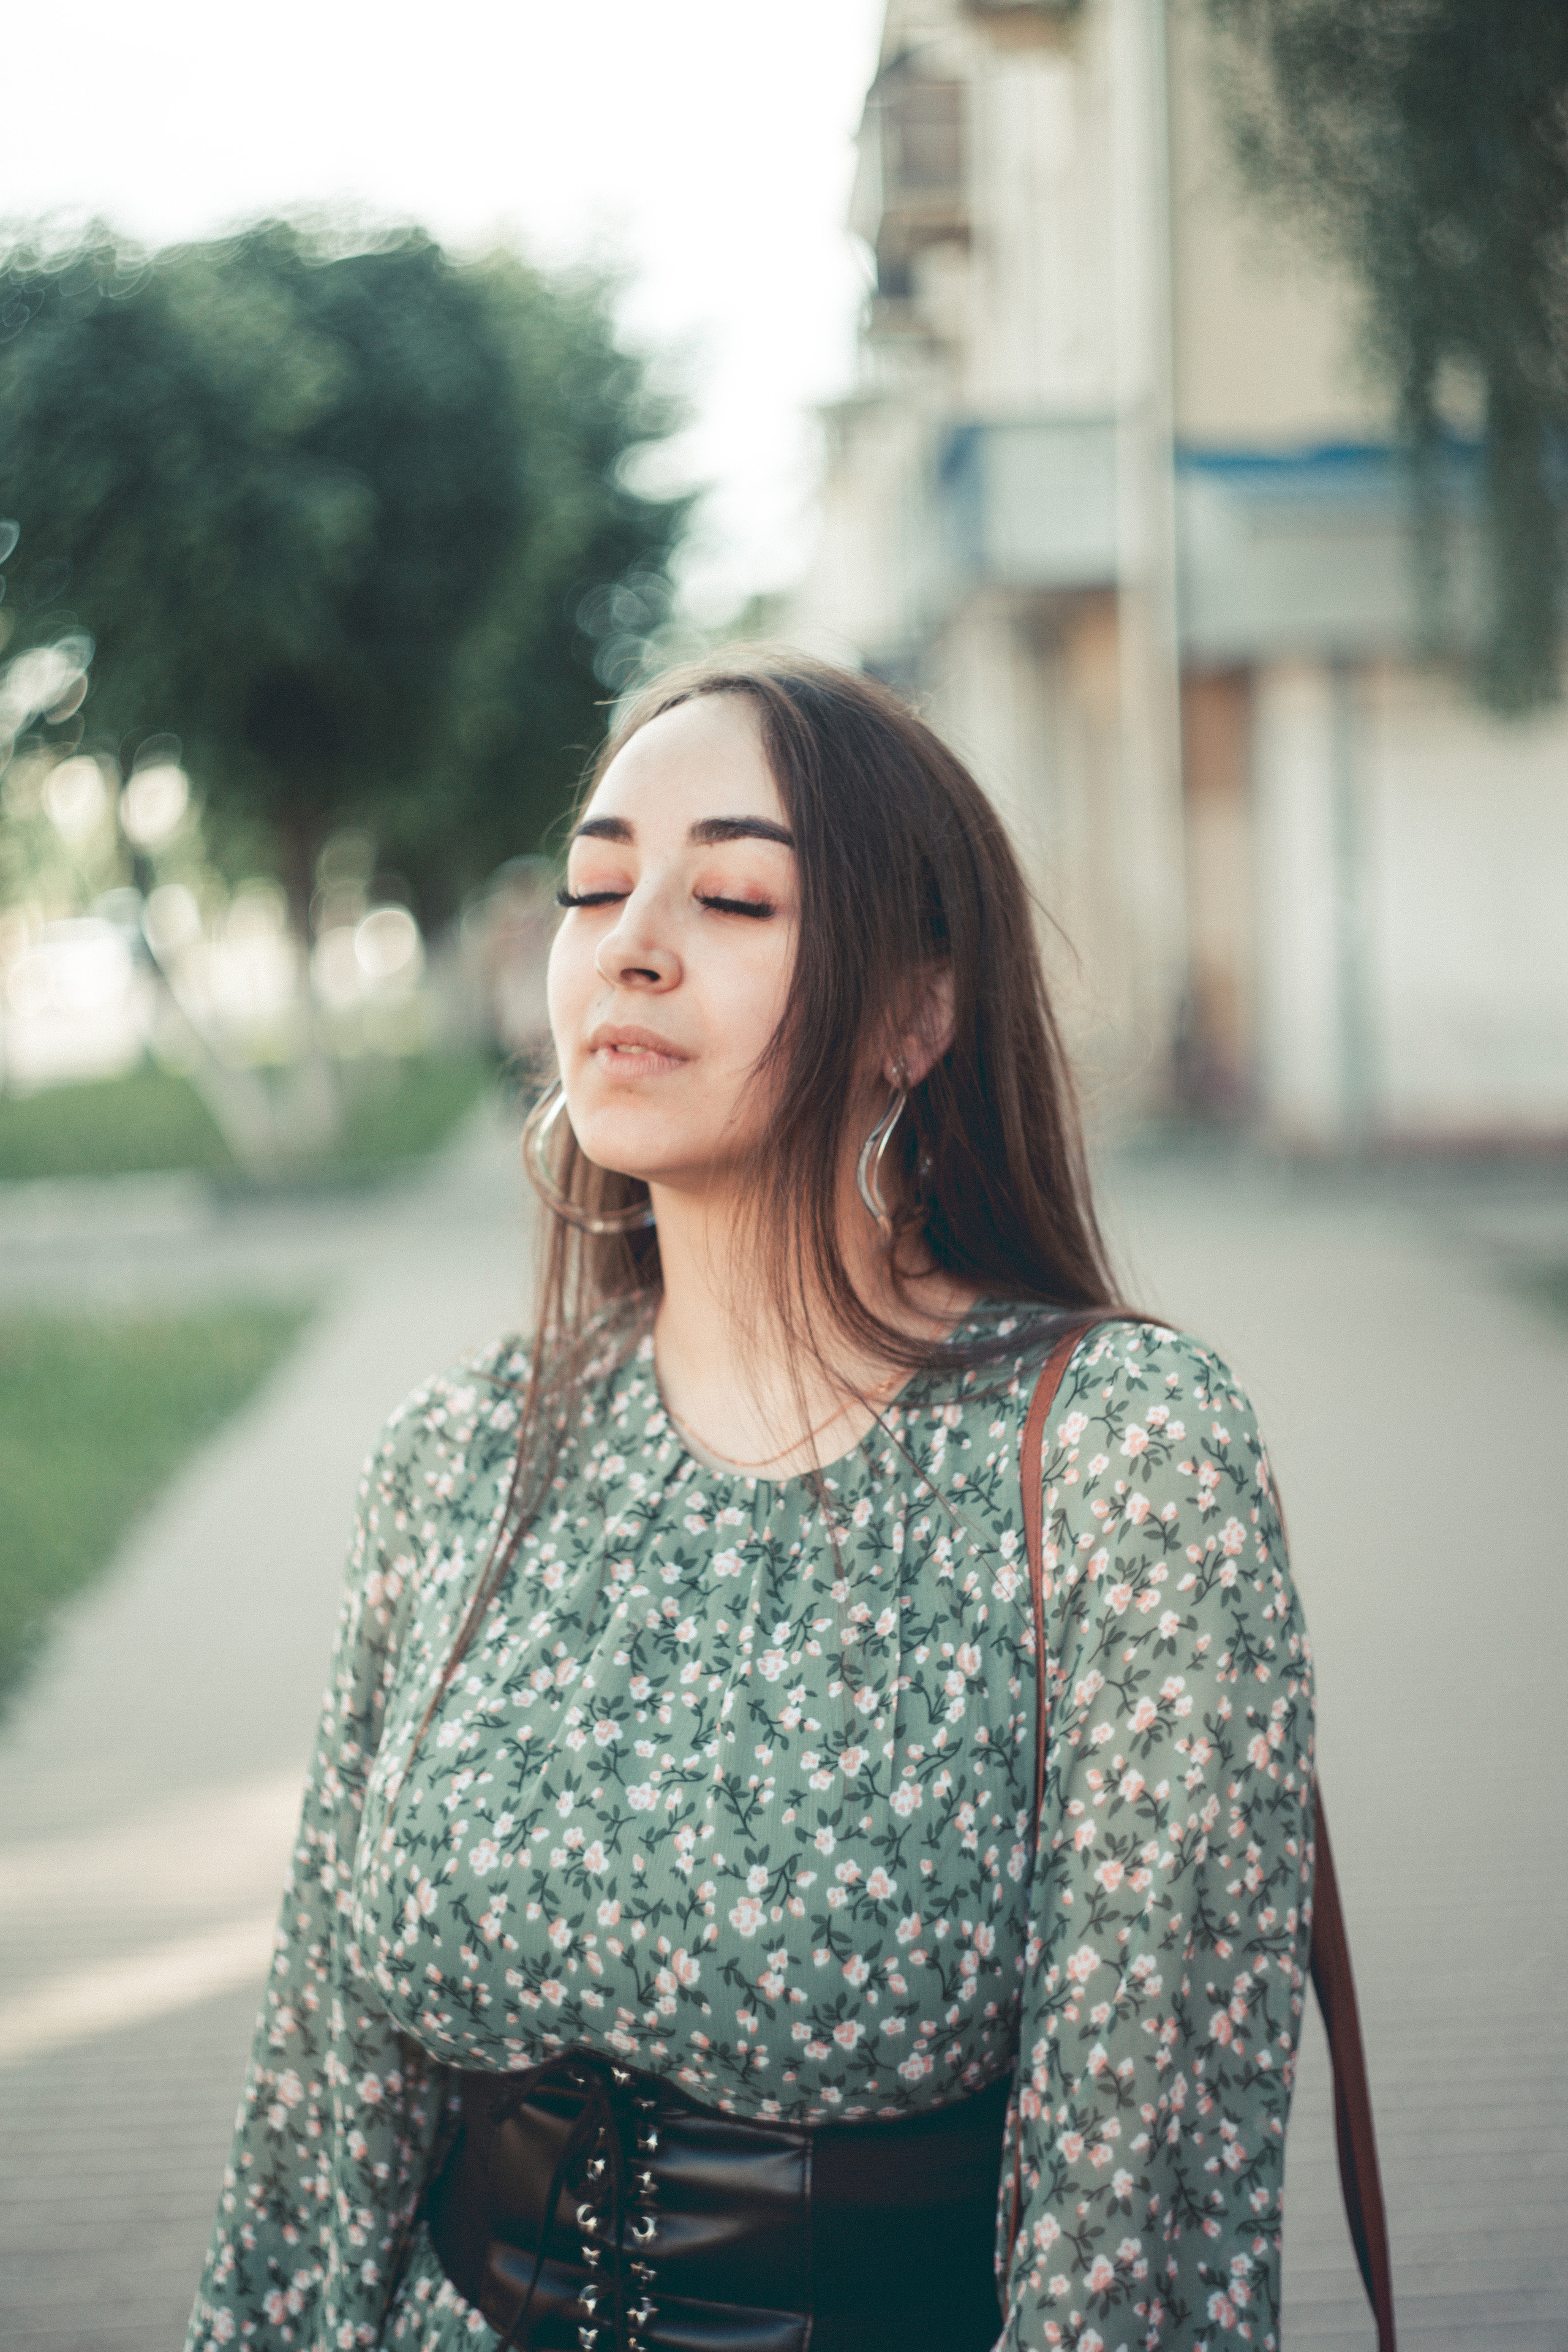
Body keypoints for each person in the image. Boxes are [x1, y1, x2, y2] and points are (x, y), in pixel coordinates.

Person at [187, 652, 1314, 2352]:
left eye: (729, 893)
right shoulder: (458, 1459)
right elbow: (319, 2119)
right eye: (591, 884)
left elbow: (1142, 2212)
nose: (630, 940)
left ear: (913, 1016)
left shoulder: (1120, 1455)